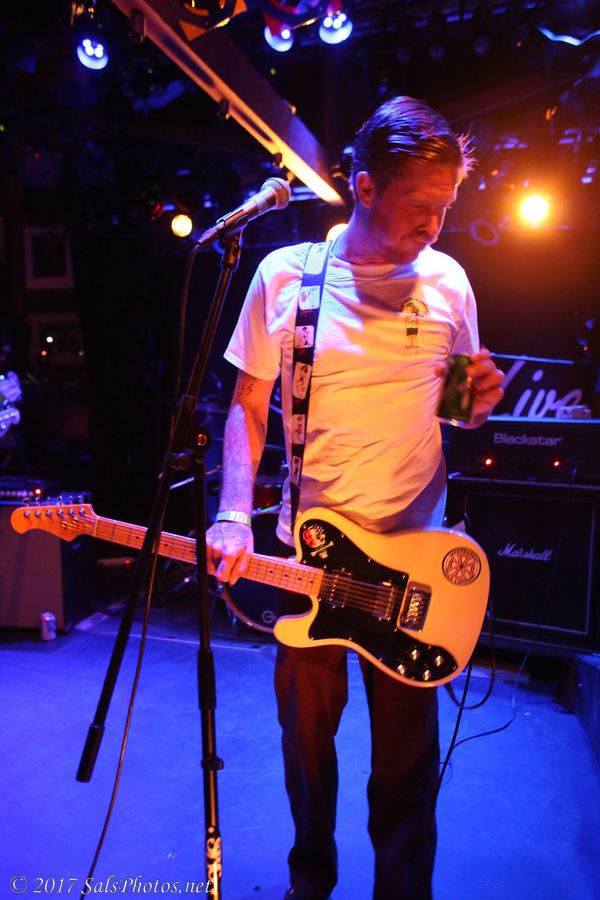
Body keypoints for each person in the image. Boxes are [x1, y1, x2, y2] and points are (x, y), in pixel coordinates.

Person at [206, 96, 505, 900]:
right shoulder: (286, 277)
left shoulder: (448, 282)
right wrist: (232, 513)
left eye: (447, 207)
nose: (435, 226)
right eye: (420, 206)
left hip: (415, 565)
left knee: (407, 766)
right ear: (365, 187)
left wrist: (476, 405)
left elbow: (454, 409)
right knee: (305, 746)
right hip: (309, 559)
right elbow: (247, 406)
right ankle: (311, 880)